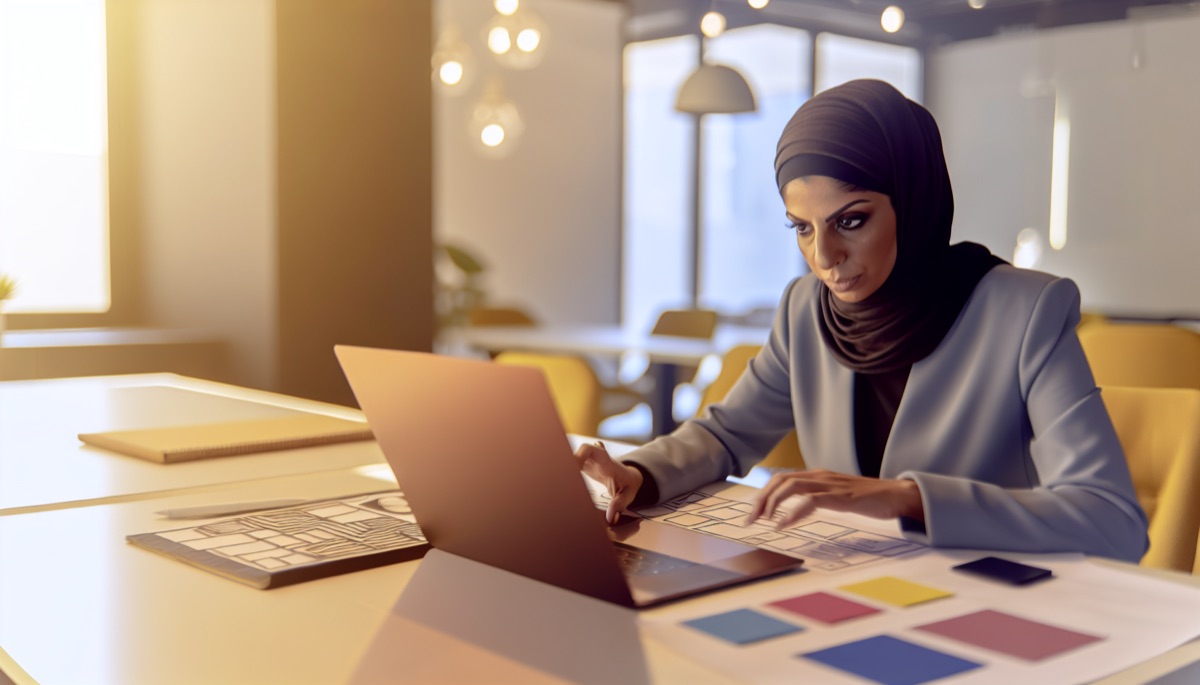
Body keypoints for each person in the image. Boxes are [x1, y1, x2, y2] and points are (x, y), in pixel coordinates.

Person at [575, 79, 1148, 562]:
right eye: (801, 227)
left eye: (850, 220)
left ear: (914, 200)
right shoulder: (806, 309)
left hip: (993, 597)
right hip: (861, 584)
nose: (824, 256)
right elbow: (726, 436)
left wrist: (907, 499)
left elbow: (1112, 519)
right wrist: (638, 475)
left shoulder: (1025, 312)